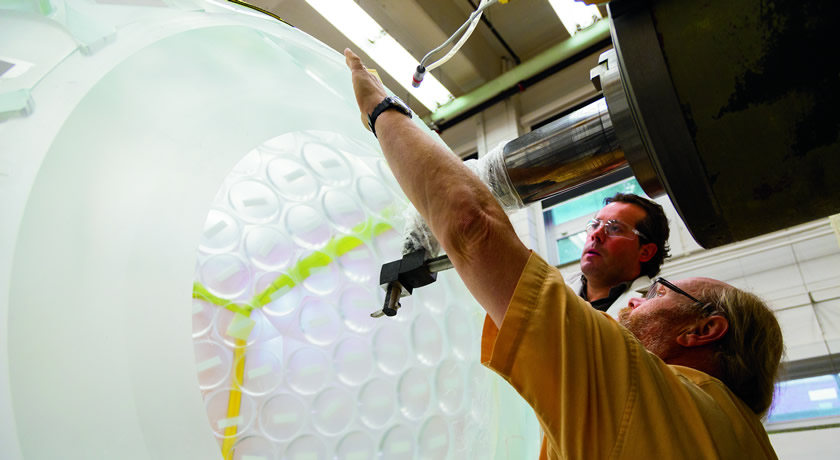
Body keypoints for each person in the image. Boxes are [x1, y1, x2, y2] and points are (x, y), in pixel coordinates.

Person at [344, 48, 783, 459]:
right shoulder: (738, 436)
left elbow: (471, 225)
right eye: (595, 224)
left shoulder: (640, 389)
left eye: (657, 295)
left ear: (705, 328)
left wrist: (380, 109)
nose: (635, 301)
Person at [565, 193, 671, 317]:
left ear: (645, 252)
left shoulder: (656, 308)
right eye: (595, 225)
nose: (596, 234)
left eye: (615, 228)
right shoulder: (553, 287)